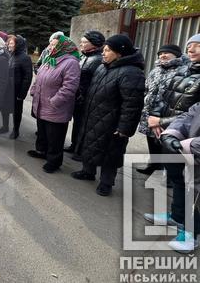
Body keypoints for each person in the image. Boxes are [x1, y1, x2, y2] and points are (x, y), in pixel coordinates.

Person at [71, 35, 145, 196]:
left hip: (113, 122)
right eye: (103, 49)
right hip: (94, 115)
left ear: (120, 53)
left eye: (108, 50)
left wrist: (125, 128)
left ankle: (106, 183)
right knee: (91, 145)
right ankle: (88, 172)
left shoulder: (132, 72)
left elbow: (132, 105)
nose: (103, 53)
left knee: (110, 153)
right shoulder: (103, 66)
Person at [143, 35, 200, 232]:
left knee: (193, 184)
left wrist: (163, 122)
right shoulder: (182, 71)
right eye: (189, 46)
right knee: (177, 179)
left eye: (197, 46)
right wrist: (154, 117)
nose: (191, 50)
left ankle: (191, 229)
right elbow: (163, 97)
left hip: (190, 137)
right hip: (169, 134)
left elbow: (194, 113)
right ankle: (177, 217)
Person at [28, 34, 81, 173]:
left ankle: (54, 161)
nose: (50, 47)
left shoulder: (71, 62)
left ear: (63, 46)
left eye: (54, 45)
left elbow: (70, 87)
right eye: (50, 44)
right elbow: (39, 76)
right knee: (43, 132)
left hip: (55, 107)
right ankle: (41, 151)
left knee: (55, 137)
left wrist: (54, 101)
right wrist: (34, 90)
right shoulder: (50, 58)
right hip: (41, 103)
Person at [152, 103, 200, 253]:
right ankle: (177, 217)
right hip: (189, 152)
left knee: (197, 194)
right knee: (181, 181)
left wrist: (189, 145)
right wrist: (170, 134)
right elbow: (188, 115)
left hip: (193, 149)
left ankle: (193, 234)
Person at [136, 44, 187, 175]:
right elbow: (147, 89)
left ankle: (169, 173)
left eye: (166, 53)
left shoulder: (183, 70)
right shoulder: (156, 70)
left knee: (167, 144)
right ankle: (154, 165)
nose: (163, 56)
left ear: (176, 55)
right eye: (160, 53)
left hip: (166, 115)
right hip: (150, 113)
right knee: (152, 141)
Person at [64, 30, 106, 159]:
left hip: (88, 98)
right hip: (79, 97)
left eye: (84, 42)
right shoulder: (84, 56)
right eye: (81, 41)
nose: (81, 44)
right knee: (77, 123)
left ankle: (81, 150)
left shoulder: (98, 60)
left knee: (85, 126)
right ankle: (75, 144)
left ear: (94, 44)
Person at [6, 35, 33, 140]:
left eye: (12, 43)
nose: (9, 45)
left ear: (18, 45)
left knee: (17, 111)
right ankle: (5, 126)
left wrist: (22, 94)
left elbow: (27, 77)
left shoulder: (25, 58)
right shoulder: (11, 55)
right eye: (9, 43)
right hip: (8, 89)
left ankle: (15, 130)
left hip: (17, 91)